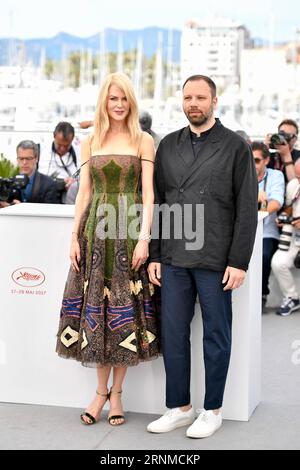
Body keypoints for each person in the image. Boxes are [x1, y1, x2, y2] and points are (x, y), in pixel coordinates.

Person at [147, 74, 258, 439]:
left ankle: (212, 410)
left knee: (216, 335)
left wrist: (239, 261)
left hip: (215, 258)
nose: (193, 103)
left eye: (201, 97)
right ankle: (179, 407)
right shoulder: (169, 145)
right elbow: (161, 203)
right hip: (175, 257)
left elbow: (247, 209)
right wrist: (156, 255)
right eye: (188, 97)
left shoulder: (235, 147)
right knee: (174, 333)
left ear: (214, 101)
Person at [55, 73, 160, 426]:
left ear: (131, 103)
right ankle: (100, 392)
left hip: (128, 232)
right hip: (93, 234)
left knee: (123, 310)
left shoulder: (143, 140)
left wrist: (144, 238)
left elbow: (148, 195)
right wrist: (73, 236)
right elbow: (83, 192)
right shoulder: (91, 140)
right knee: (96, 310)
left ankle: (117, 394)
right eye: (113, 98)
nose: (118, 105)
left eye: (124, 99)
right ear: (104, 101)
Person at [251, 141, 285, 310]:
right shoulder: (241, 174)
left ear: (266, 160)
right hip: (242, 232)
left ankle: (262, 294)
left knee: (264, 255)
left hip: (267, 232)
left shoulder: (275, 176)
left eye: (256, 161)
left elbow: (276, 203)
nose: (253, 165)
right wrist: (255, 197)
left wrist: (258, 211)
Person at [271, 158, 300, 316]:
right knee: (278, 262)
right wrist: (283, 216)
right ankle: (292, 297)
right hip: (293, 236)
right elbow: (289, 207)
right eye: (298, 176)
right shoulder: (293, 185)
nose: (299, 180)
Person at [0, 140, 60, 208]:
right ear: (17, 159)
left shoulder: (48, 184)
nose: (24, 162)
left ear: (36, 159)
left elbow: (51, 211)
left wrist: (21, 207)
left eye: (28, 158)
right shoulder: (9, 183)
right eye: (21, 158)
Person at [38, 121, 80, 202]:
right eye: (59, 145)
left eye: (67, 145)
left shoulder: (80, 153)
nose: (62, 149)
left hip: (71, 197)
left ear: (72, 139)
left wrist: (76, 181)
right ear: (54, 136)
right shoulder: (41, 150)